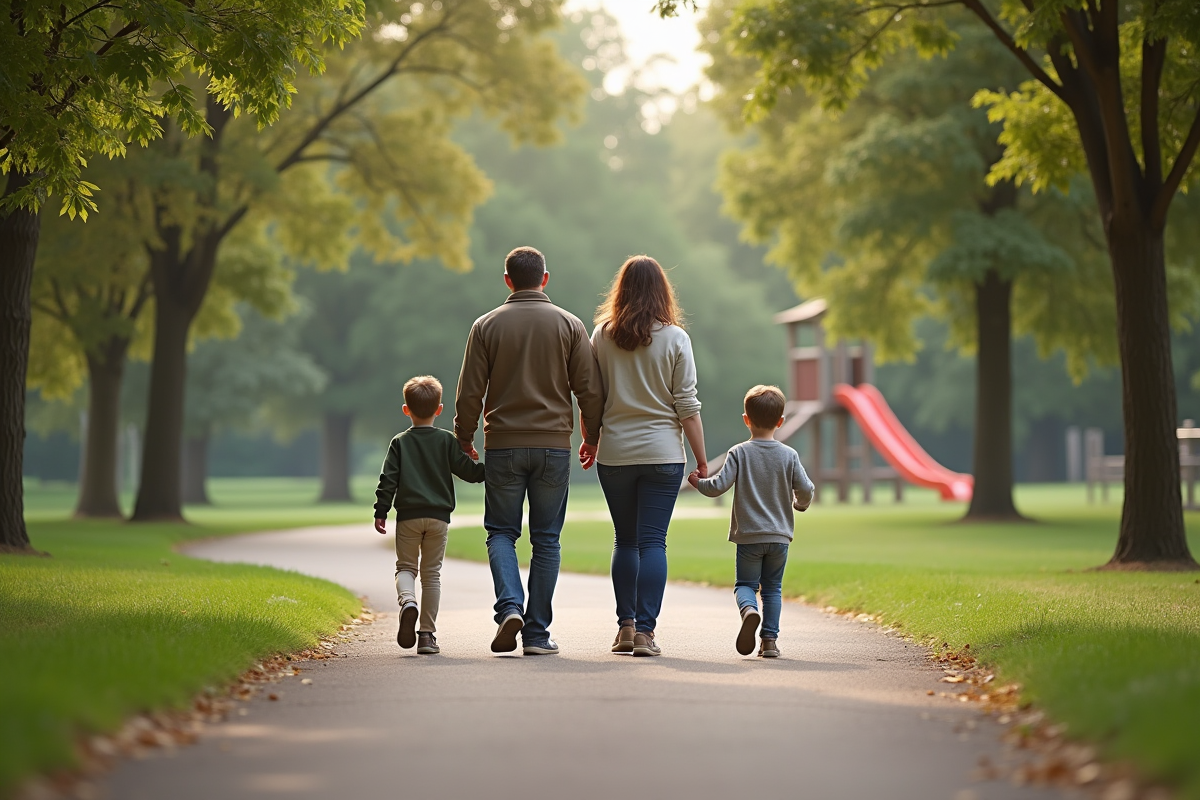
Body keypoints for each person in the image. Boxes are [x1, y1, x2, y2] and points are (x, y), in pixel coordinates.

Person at [454, 246, 604, 656]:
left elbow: (470, 392)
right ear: (545, 278)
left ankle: (508, 609)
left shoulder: (485, 326)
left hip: (502, 445)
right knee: (547, 540)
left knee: (501, 532)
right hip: (553, 447)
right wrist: (591, 437)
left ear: (507, 281)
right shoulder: (570, 326)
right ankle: (536, 634)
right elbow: (589, 391)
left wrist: (463, 436)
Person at [587, 255, 707, 658]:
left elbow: (593, 397)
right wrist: (702, 460)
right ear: (662, 291)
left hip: (615, 453)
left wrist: (590, 438)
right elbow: (687, 405)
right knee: (653, 541)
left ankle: (625, 627)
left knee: (626, 540)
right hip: (662, 454)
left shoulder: (601, 336)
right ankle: (646, 633)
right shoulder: (676, 339)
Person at [688, 385, 814, 658]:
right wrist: (799, 505)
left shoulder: (739, 453)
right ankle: (769, 642)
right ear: (780, 422)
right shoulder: (789, 455)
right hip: (779, 537)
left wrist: (699, 482)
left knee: (746, 585)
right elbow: (806, 488)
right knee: (773, 588)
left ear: (746, 419)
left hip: (748, 536)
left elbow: (718, 486)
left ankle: (749, 611)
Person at [373, 376, 485, 655]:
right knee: (431, 575)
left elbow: (388, 478)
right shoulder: (447, 440)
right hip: (438, 518)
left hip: (409, 516)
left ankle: (408, 601)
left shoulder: (399, 443)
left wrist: (381, 510)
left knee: (406, 568)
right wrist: (489, 467)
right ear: (439, 409)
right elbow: (468, 473)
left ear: (406, 409)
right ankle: (426, 636)